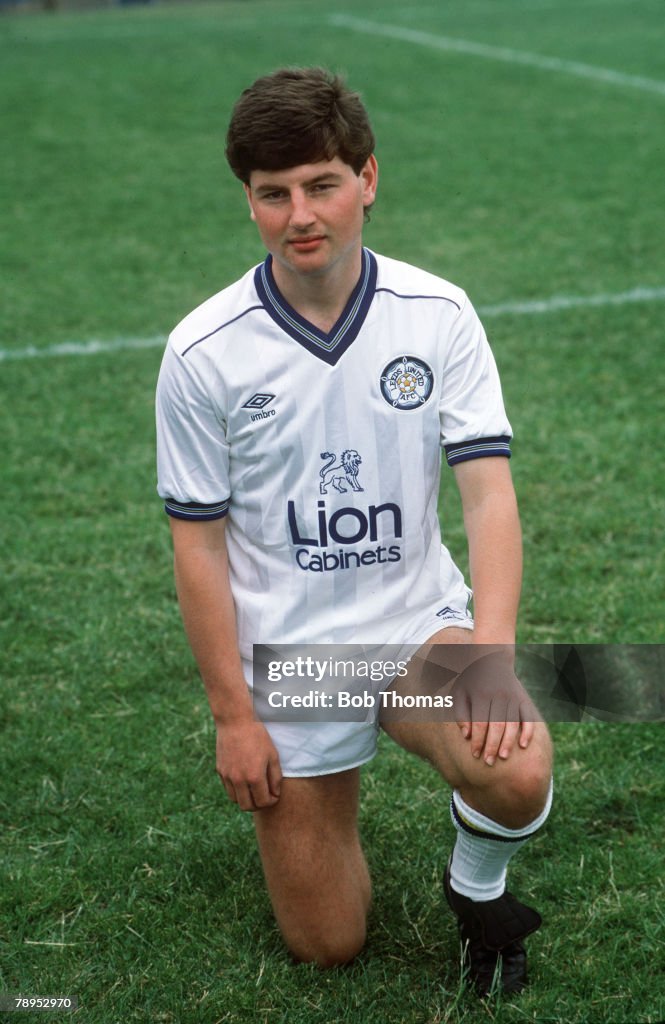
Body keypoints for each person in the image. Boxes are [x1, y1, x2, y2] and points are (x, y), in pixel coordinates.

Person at [155, 67, 553, 996]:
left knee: (519, 764)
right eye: (273, 193)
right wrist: (232, 716)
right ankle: (321, 799)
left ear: (366, 178)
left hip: (414, 628)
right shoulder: (203, 352)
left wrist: (488, 655)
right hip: (291, 660)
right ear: (249, 200)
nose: (300, 213)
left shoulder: (438, 313)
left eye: (321, 184)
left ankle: (475, 884)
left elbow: (489, 497)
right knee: (326, 944)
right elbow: (197, 544)